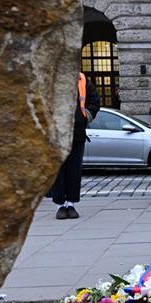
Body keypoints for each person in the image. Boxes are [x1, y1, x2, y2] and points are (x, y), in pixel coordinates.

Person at [49, 72, 101, 219]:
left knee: (74, 171)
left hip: (77, 134)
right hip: (57, 134)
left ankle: (71, 204)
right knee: (58, 171)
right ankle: (60, 205)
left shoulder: (83, 80)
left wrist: (85, 117)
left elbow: (94, 101)